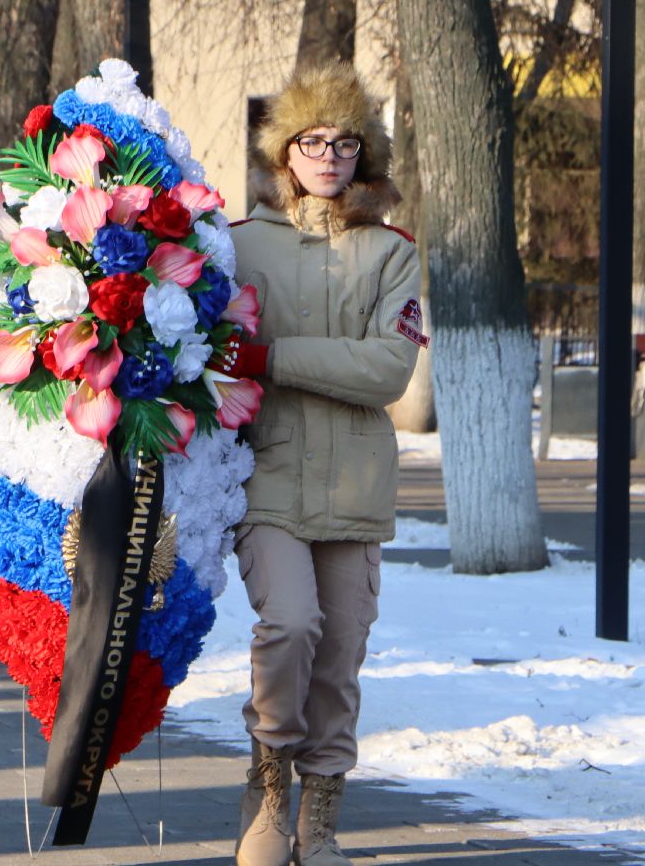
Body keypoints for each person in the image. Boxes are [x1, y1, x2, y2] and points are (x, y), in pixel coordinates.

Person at [226, 62, 420, 866]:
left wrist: (273, 357)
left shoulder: (390, 253)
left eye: (346, 143)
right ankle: (270, 792)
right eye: (313, 141)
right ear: (285, 154)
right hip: (268, 475)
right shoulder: (238, 249)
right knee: (290, 625)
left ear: (365, 154)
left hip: (356, 481)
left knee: (340, 658)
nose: (330, 156)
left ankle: (322, 819)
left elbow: (388, 370)